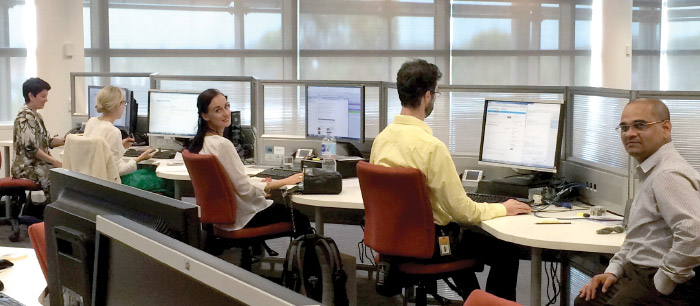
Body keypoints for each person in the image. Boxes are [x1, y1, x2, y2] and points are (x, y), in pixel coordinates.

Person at [370, 59, 532, 301]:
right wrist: (503, 208)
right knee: (505, 249)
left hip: (393, 246)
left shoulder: (381, 140)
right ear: (427, 97)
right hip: (431, 246)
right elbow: (462, 212)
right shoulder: (432, 148)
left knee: (456, 239)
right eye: (435, 93)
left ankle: (473, 300)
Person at [576, 98, 700, 306]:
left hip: (662, 279)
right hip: (637, 272)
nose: (629, 133)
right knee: (585, 301)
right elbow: (639, 239)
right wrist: (613, 271)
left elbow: (693, 232)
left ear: (666, 128)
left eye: (640, 125)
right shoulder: (650, 171)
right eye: (624, 127)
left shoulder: (667, 175)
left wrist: (663, 282)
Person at [188, 88, 312, 235]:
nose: (226, 113)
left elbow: (234, 183)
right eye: (218, 110)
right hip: (243, 217)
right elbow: (244, 189)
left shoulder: (201, 143)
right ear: (205, 115)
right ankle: (311, 257)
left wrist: (260, 184)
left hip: (223, 218)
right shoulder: (222, 144)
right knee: (300, 218)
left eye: (226, 106)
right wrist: (284, 181)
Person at [83, 85, 155, 181]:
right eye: (123, 103)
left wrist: (120, 145)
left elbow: (99, 152)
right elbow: (117, 170)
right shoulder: (113, 131)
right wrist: (139, 159)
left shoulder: (91, 122)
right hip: (112, 183)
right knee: (159, 179)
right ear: (117, 105)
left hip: (92, 179)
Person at [11, 77, 65, 202]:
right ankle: (55, 212)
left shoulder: (35, 116)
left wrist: (64, 140)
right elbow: (32, 149)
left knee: (62, 173)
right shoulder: (24, 117)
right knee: (57, 176)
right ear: (31, 96)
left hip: (37, 164)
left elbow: (46, 141)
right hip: (26, 168)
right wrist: (54, 161)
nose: (46, 100)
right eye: (43, 96)